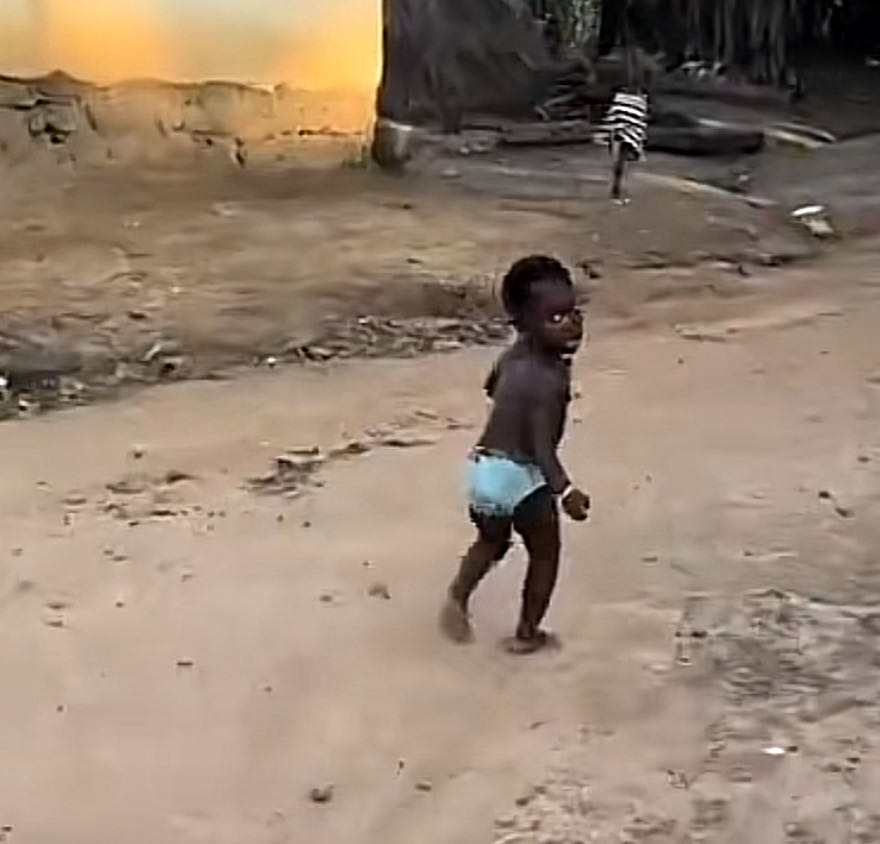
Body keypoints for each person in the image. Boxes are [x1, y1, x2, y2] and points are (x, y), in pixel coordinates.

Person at [439, 255, 590, 654]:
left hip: (483, 467)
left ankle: (458, 595)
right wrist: (566, 491)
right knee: (546, 554)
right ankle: (527, 634)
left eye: (574, 312)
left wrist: (514, 403)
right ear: (525, 323)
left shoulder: (513, 355)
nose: (572, 324)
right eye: (555, 318)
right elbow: (541, 448)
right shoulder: (550, 378)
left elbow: (491, 387)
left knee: (491, 541)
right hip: (520, 474)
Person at [596, 87, 649, 203]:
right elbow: (639, 120)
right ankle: (616, 192)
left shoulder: (622, 100)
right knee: (620, 164)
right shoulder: (638, 101)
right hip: (622, 131)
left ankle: (616, 191)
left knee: (619, 163)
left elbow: (613, 116)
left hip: (619, 130)